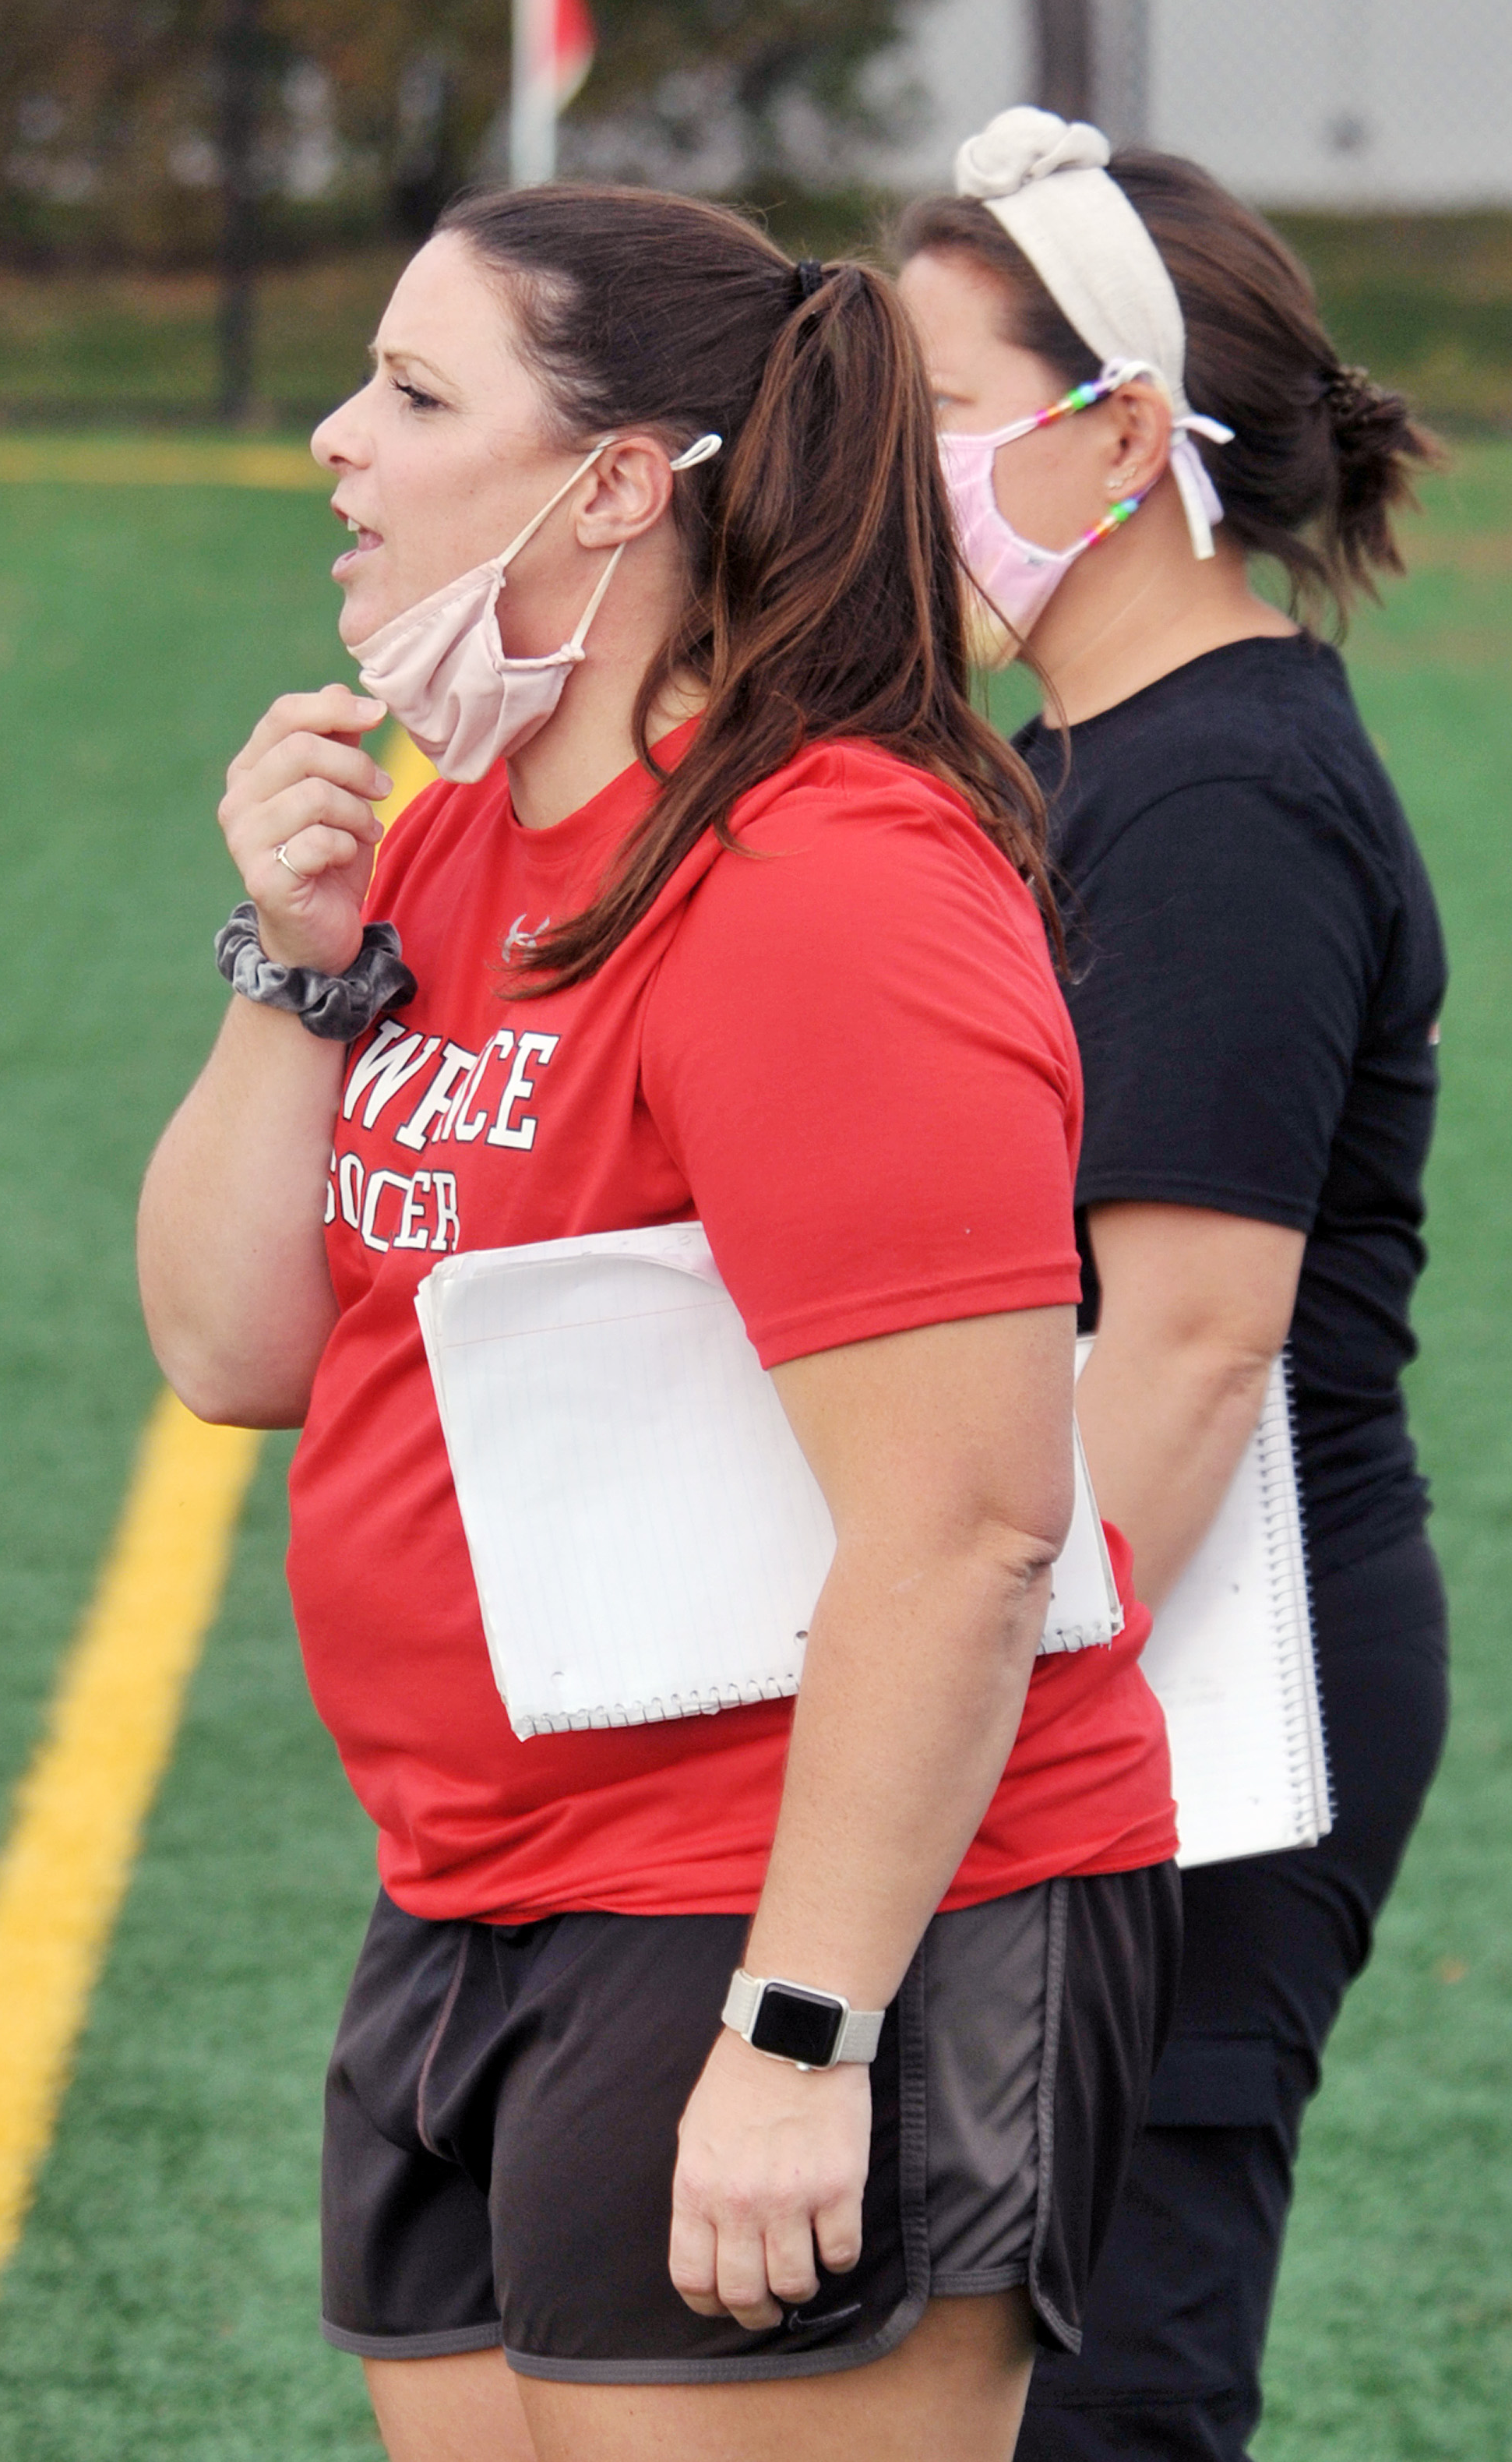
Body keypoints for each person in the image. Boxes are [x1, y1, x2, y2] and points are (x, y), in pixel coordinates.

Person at [138, 182, 1180, 2462]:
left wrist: (800, 2035)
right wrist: (294, 957)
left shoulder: (820, 881)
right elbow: (235, 1351)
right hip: (479, 1894)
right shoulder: (451, 839)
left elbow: (974, 1529)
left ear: (619, 483)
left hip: (769, 1904)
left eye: (414, 394)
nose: (340, 441)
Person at [898, 109, 1448, 2462]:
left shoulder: (1220, 795)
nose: (875, 474)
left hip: (1219, 1681)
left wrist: (954, 1729)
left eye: (920, 414)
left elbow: (1195, 1350)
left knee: (1112, 2379)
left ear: (1121, 433)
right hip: (1109, 1648)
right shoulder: (1079, 757)